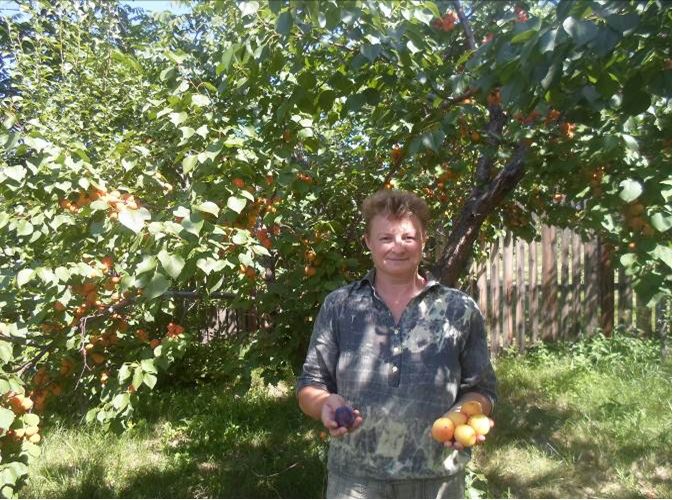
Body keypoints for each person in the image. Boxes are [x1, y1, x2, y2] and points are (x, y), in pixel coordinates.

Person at [296, 189, 497, 499]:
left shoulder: (458, 309)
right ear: (368, 242)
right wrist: (324, 404)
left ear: (424, 239)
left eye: (408, 237)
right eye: (386, 238)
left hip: (437, 478)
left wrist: (463, 413)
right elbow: (311, 383)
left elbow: (482, 388)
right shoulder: (341, 305)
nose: (398, 247)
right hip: (355, 480)